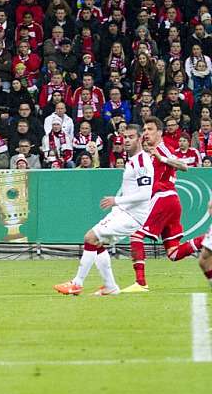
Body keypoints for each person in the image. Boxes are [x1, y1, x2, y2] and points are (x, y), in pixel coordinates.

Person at [55, 124, 154, 296]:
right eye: (125, 137)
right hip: (124, 211)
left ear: (140, 139)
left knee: (90, 237)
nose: (127, 140)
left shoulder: (142, 162)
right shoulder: (132, 159)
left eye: (131, 137)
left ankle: (77, 283)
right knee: (97, 242)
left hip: (132, 214)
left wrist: (117, 200)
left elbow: (145, 194)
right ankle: (110, 286)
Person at [123, 118, 205, 292]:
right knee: (173, 253)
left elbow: (184, 166)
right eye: (144, 129)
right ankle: (207, 239)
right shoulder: (149, 152)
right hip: (171, 201)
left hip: (164, 197)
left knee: (135, 235)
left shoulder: (162, 148)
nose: (146, 133)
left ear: (160, 132)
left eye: (150, 129)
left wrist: (162, 158)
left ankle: (140, 282)